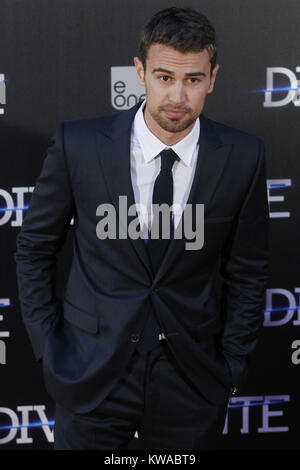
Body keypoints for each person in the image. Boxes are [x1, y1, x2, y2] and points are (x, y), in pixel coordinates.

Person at [14, 7, 269, 450]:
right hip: (91, 373)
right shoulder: (80, 145)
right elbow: (35, 248)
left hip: (191, 378)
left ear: (212, 78)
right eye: (164, 77)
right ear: (140, 72)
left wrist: (231, 365)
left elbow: (248, 271)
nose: (177, 96)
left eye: (192, 80)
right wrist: (51, 350)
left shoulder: (243, 156)